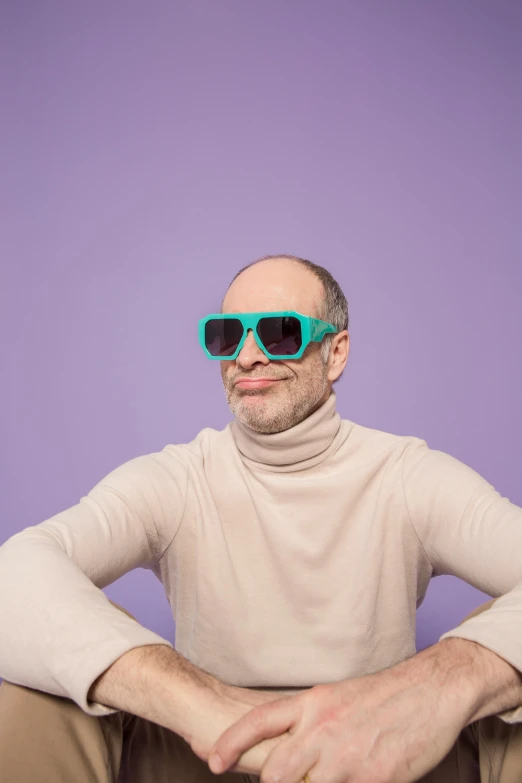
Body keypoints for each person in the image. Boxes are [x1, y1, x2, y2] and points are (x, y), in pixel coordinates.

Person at [1, 254, 522, 783]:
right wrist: (212, 707)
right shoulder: (177, 479)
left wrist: (443, 682)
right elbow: (14, 573)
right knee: (37, 685)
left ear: (335, 352)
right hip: (205, 754)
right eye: (227, 335)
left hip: (381, 762)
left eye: (279, 333)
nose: (247, 356)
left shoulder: (409, 477)